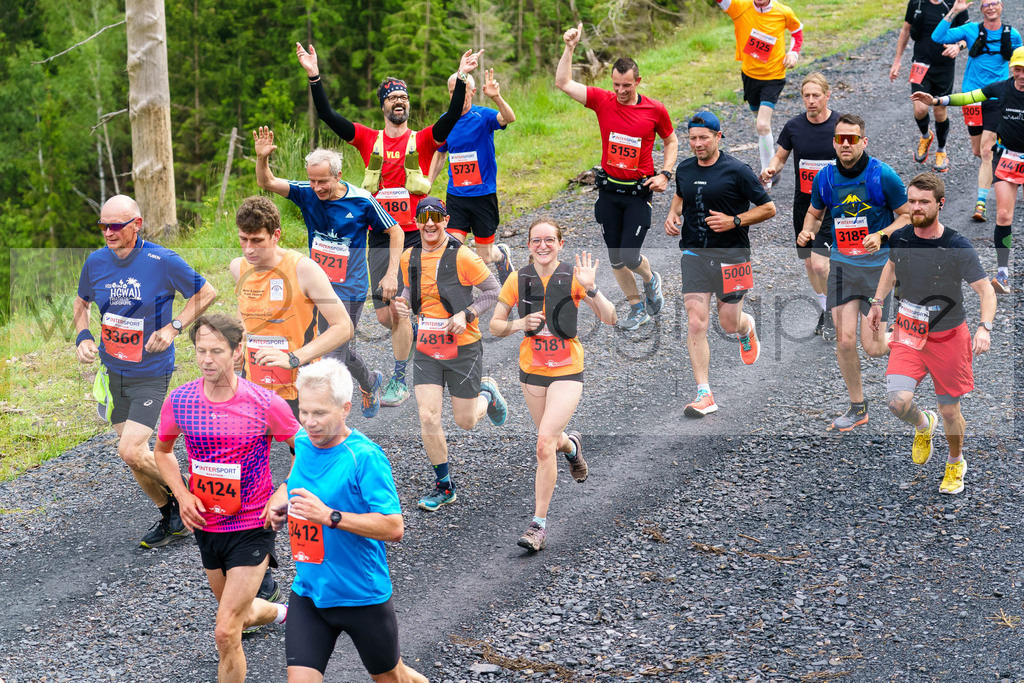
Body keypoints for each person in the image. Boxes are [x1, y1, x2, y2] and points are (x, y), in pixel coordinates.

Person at [296, 43, 481, 408]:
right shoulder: (368, 139)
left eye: (403, 97)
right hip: (380, 236)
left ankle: (399, 377)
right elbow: (329, 115)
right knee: (384, 316)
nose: (399, 101)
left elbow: (451, 116)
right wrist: (314, 76)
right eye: (392, 97)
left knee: (397, 306)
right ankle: (416, 331)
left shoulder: (424, 139)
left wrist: (461, 76)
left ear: (408, 105)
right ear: (383, 105)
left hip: (417, 234)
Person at [154, 314, 296, 683]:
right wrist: (182, 495)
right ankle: (284, 613)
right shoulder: (181, 400)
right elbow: (163, 452)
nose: (206, 359)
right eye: (201, 350)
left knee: (225, 630)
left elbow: (308, 453)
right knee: (239, 614)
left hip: (252, 524)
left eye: (216, 351)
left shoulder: (265, 403)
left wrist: (282, 492)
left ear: (237, 352)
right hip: (206, 524)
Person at [265, 359, 427, 683]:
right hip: (310, 592)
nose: (309, 422)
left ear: (345, 409)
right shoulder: (302, 444)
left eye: (320, 413)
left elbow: (394, 527)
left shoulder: (365, 457)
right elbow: (295, 481)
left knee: (393, 678)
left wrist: (329, 516)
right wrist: (278, 500)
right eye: (304, 411)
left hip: (361, 597)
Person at [73, 194, 216, 549]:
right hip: (113, 372)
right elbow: (82, 302)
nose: (108, 232)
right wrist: (83, 335)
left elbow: (206, 292)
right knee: (135, 457)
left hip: (150, 371)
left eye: (116, 225)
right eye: (103, 225)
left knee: (131, 451)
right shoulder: (95, 262)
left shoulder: (162, 260)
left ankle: (192, 495)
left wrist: (174, 327)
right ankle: (171, 515)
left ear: (136, 224)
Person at [253, 132, 404, 417]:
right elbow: (267, 182)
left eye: (323, 181)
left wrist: (391, 274)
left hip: (350, 290)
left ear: (338, 176)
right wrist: (262, 158)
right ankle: (370, 381)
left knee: (331, 358)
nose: (316, 187)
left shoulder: (362, 200)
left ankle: (324, 423)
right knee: (329, 349)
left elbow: (395, 231)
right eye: (312, 180)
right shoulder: (306, 192)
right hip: (314, 288)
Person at [490, 219, 617, 551]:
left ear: (560, 244)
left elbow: (610, 317)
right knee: (553, 438)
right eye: (536, 240)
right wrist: (520, 323)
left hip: (567, 370)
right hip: (531, 372)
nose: (542, 245)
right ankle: (572, 448)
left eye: (549, 240)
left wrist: (591, 288)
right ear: (528, 245)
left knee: (544, 443)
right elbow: (495, 325)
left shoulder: (573, 278)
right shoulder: (518, 280)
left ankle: (538, 525)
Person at [867, 173, 995, 495]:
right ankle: (924, 425)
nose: (916, 207)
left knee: (950, 410)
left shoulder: (956, 245)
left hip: (948, 337)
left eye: (924, 202)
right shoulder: (901, 237)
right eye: (912, 201)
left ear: (940, 203)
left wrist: (984, 328)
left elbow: (986, 291)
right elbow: (891, 269)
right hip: (908, 331)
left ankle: (955, 461)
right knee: (897, 403)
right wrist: (878, 302)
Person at [555, 24, 678, 331]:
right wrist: (569, 48)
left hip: (638, 192)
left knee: (630, 255)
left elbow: (672, 141)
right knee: (615, 259)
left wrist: (665, 173)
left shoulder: (655, 110)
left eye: (627, 85)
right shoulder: (601, 100)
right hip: (609, 191)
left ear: (638, 81)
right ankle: (638, 307)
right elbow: (563, 82)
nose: (621, 91)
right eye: (616, 85)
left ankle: (651, 280)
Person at [798, 114, 911, 431]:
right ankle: (858, 408)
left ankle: (910, 334)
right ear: (833, 142)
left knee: (873, 348)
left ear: (864, 141)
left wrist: (882, 235)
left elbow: (906, 216)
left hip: (879, 270)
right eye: (840, 138)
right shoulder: (826, 178)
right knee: (845, 342)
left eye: (852, 138)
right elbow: (814, 212)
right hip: (844, 268)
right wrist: (808, 231)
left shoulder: (882, 175)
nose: (845, 143)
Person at [393, 197, 506, 511]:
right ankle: (445, 487)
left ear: (446, 220)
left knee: (466, 421)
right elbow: (408, 290)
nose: (430, 223)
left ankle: (488, 393)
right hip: (428, 348)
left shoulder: (463, 256)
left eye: (436, 217)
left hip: (463, 347)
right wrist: (403, 303)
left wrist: (467, 314)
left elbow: (494, 292)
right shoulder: (408, 257)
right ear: (416, 222)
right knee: (427, 416)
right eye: (423, 218)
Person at [664, 111, 776, 417]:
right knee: (696, 321)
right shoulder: (685, 169)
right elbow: (680, 195)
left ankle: (746, 326)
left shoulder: (737, 171)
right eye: (693, 139)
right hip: (695, 255)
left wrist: (735, 220)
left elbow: (769, 208)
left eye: (703, 138)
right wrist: (674, 214)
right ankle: (704, 393)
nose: (698, 144)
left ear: (718, 137)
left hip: (733, 256)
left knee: (728, 322)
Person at [912, 46, 1024, 294]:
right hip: (1008, 157)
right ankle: (1003, 275)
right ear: (1012, 70)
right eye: (1018, 69)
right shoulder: (1002, 88)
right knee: (1004, 216)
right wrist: (938, 100)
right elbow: (970, 97)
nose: (1023, 74)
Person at [230, 195, 354, 417]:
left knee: (300, 451)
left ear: (276, 235)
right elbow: (244, 311)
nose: (248, 249)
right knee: (251, 451)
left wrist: (293, 357)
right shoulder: (239, 268)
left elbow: (344, 327)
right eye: (243, 239)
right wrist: (239, 342)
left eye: (257, 240)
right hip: (255, 380)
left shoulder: (304, 270)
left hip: (300, 382)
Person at [761, 72, 842, 337]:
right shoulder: (794, 126)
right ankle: (826, 306)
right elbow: (780, 157)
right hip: (804, 204)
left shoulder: (840, 124)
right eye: (806, 95)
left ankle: (832, 312)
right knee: (809, 264)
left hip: (833, 206)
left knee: (821, 264)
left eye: (815, 95)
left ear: (827, 96)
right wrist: (771, 169)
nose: (810, 100)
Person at [931, 0, 1021, 221]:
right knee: (978, 151)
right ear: (981, 9)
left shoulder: (1013, 34)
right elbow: (938, 37)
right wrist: (954, 11)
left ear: (1001, 7)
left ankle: (980, 204)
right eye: (986, 4)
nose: (990, 7)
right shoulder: (971, 30)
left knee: (987, 150)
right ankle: (1001, 155)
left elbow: (1019, 63)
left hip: (996, 97)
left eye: (994, 3)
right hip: (972, 98)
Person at [428, 68, 517, 283]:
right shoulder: (445, 121)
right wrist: (427, 183)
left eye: (461, 91)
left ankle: (501, 254)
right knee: (453, 249)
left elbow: (509, 118)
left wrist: (496, 97)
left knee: (485, 256)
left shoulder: (482, 116)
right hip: (456, 196)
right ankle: (462, 297)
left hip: (483, 195)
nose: (456, 96)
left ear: (473, 91)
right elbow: (439, 155)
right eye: (451, 92)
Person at [715, 0, 804, 182]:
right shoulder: (739, 7)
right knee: (759, 121)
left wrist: (793, 53)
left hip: (774, 75)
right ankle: (772, 162)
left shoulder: (783, 12)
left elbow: (797, 31)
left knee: (762, 125)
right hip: (750, 75)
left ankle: (767, 174)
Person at [890, 0, 969, 172]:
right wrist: (897, 61)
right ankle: (926, 136)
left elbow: (968, 35)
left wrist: (958, 46)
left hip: (944, 66)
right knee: (919, 109)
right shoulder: (917, 3)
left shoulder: (955, 4)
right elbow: (905, 30)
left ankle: (941, 151)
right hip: (920, 63)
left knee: (939, 110)